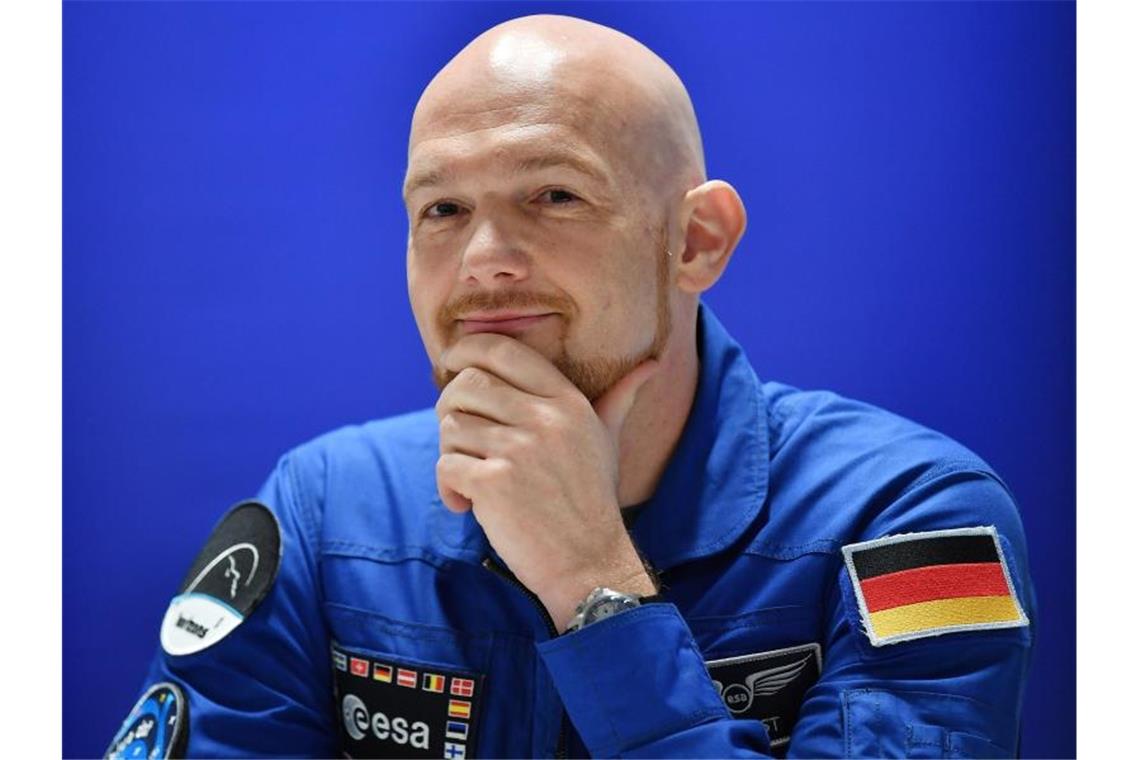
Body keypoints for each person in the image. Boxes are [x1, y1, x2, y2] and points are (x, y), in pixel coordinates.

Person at [107, 13, 1035, 759]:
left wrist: (595, 584)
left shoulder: (912, 518)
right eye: (443, 209)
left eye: (553, 196)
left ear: (696, 241)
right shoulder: (324, 512)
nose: (484, 263)